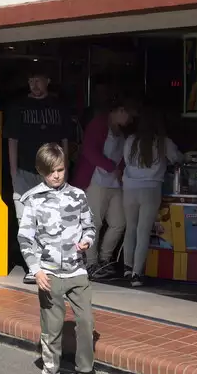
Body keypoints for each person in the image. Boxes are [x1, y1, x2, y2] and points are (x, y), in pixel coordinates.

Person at [18, 142, 102, 374]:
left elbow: (90, 225)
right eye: (51, 171)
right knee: (52, 329)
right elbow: (25, 239)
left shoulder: (78, 195)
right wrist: (36, 270)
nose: (57, 176)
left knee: (86, 323)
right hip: (49, 274)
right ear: (41, 171)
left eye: (61, 170)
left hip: (77, 271)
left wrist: (87, 240)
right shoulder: (31, 198)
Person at [5, 70, 67, 284]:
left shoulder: (58, 107)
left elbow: (64, 139)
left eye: (38, 79)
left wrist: (63, 168)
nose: (34, 84)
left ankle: (47, 264)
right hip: (23, 172)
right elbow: (12, 140)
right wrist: (13, 172)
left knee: (49, 219)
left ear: (48, 80)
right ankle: (33, 267)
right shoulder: (18, 106)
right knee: (24, 221)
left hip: (51, 173)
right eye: (31, 80)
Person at [120, 110, 183, 288]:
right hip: (151, 189)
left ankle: (127, 267)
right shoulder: (163, 142)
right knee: (143, 231)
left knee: (130, 228)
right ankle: (136, 274)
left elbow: (125, 160)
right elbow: (177, 158)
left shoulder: (130, 140)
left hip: (130, 188)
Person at [73, 98, 131, 279]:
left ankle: (104, 259)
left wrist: (117, 170)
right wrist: (111, 167)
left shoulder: (121, 130)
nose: (131, 118)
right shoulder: (98, 124)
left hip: (114, 183)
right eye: (128, 113)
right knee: (94, 223)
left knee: (119, 222)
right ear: (119, 110)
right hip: (95, 181)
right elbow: (89, 151)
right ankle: (91, 262)